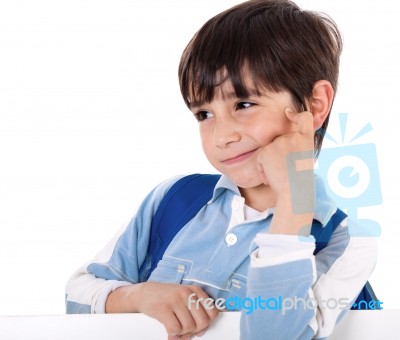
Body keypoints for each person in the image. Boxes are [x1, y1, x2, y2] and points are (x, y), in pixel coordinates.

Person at [65, 0, 378, 339]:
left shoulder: (345, 241)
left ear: (314, 105)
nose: (221, 136)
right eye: (204, 114)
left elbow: (274, 335)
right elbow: (76, 298)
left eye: (244, 104)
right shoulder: (174, 199)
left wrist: (293, 203)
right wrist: (139, 295)